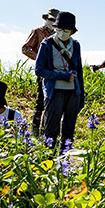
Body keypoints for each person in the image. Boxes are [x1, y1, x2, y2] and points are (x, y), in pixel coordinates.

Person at [34, 11, 85, 149]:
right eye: (59, 29)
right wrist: (62, 76)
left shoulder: (76, 45)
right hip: (54, 91)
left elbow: (79, 71)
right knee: (52, 129)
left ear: (72, 32)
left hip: (73, 92)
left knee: (69, 131)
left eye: (66, 30)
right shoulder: (47, 44)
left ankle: (64, 163)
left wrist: (82, 97)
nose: (62, 32)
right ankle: (48, 162)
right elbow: (39, 70)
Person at [22, 8, 59, 135]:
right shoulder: (37, 32)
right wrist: (39, 57)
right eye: (51, 19)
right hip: (43, 70)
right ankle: (35, 129)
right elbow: (25, 48)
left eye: (55, 20)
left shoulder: (57, 36)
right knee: (41, 99)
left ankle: (46, 129)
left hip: (55, 71)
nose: (52, 22)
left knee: (52, 100)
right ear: (45, 19)